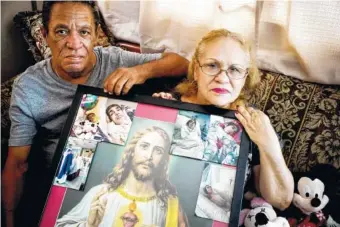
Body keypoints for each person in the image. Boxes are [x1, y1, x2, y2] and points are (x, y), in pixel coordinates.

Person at [2, 1, 189, 226]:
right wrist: (9, 219)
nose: (74, 43)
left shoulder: (115, 59)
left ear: (96, 35)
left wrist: (140, 72)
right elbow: (16, 165)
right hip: (60, 184)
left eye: (84, 32)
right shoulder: (28, 87)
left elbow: (182, 64)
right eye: (61, 31)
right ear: (45, 35)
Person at [153, 29, 294, 210]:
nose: (222, 78)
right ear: (196, 70)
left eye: (234, 69)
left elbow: (281, 200)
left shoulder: (252, 122)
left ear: (245, 77)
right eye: (212, 65)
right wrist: (155, 116)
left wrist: (268, 142)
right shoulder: (166, 102)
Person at [56, 126, 188, 227]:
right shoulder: (100, 194)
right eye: (144, 146)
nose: (149, 156)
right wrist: (89, 225)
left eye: (158, 151)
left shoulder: (170, 206)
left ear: (164, 161)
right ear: (131, 151)